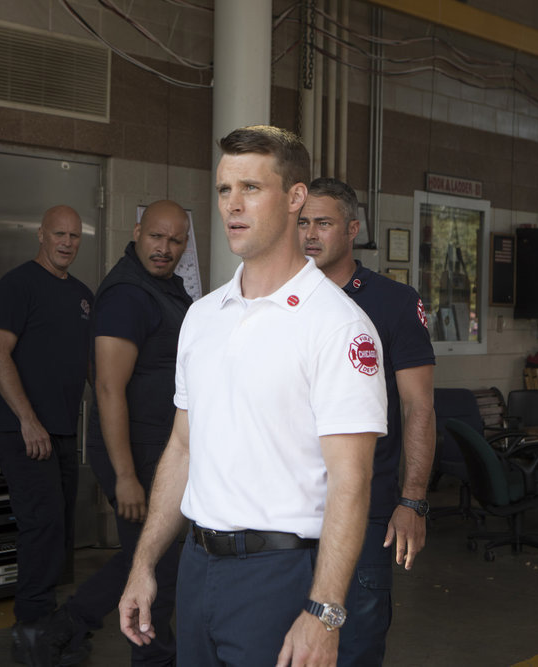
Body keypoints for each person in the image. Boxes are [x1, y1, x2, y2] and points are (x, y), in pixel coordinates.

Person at [118, 125, 387, 667]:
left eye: (251, 188)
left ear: (295, 198)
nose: (233, 206)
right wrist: (144, 563)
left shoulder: (338, 327)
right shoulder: (202, 316)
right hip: (197, 568)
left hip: (279, 578)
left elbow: (351, 481)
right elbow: (183, 447)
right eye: (223, 190)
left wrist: (325, 611)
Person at [299, 177, 436, 665]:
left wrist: (413, 501)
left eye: (324, 223)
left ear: (352, 229)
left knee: (353, 645)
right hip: (284, 511)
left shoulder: (393, 302)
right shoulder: (280, 301)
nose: (310, 234)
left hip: (365, 507)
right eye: (302, 222)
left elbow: (417, 406)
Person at [50, 200, 192, 665]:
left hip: (160, 448)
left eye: (174, 240)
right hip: (137, 453)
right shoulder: (129, 295)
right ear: (137, 232)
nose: (164, 248)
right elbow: (108, 387)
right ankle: (149, 657)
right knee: (160, 571)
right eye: (156, 237)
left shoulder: (166, 290)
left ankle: (69, 624)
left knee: (149, 556)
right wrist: (125, 475)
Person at [0, 205, 94, 667]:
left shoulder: (85, 295)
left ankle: (47, 623)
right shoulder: (17, 285)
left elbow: (90, 367)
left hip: (66, 432)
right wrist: (28, 420)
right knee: (41, 525)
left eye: (74, 236)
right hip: (26, 432)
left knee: (60, 530)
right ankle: (30, 629)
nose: (67, 243)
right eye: (59, 234)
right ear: (41, 235)